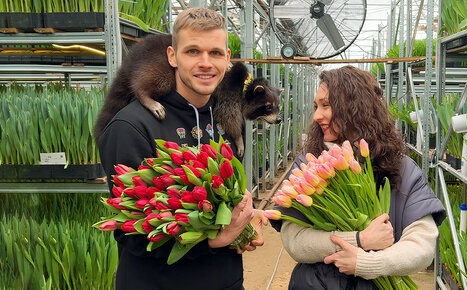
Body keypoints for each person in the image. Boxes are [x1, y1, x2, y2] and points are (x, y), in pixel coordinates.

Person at [97, 7, 265, 290]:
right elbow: (132, 232)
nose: (205, 63)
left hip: (226, 282)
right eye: (192, 52)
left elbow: (226, 198)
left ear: (226, 59)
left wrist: (243, 219)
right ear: (172, 56)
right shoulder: (131, 127)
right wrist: (214, 240)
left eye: (214, 53)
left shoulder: (228, 119)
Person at [271, 65, 446, 289]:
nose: (316, 116)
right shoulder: (309, 165)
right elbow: (294, 240)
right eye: (316, 106)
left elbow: (422, 246)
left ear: (356, 106)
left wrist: (366, 262)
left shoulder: (403, 169)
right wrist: (358, 239)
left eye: (326, 105)